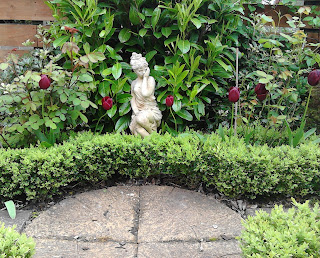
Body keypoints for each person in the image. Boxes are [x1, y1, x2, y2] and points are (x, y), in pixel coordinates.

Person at [129, 52, 162, 137]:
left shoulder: (150, 80)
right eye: (140, 71)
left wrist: (145, 78)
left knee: (140, 119)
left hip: (150, 109)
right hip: (138, 110)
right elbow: (132, 98)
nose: (143, 72)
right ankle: (151, 143)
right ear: (135, 71)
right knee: (136, 130)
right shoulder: (134, 83)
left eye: (145, 69)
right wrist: (136, 111)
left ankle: (154, 135)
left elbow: (145, 93)